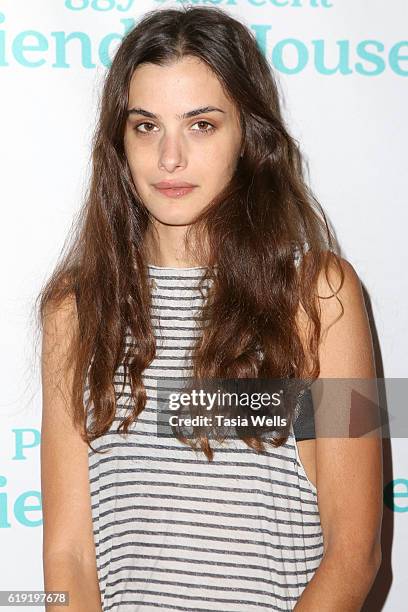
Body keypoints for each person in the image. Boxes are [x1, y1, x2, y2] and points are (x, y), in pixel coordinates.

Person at [38, 5, 383, 611]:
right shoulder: (74, 308)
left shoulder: (321, 297)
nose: (170, 157)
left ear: (247, 137)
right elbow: (68, 553)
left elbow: (355, 552)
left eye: (201, 125)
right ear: (119, 141)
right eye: (146, 126)